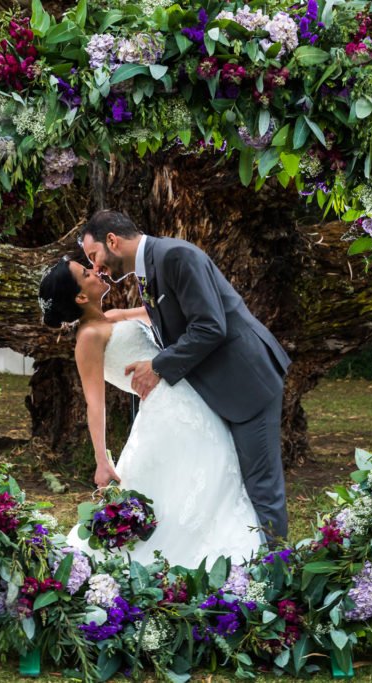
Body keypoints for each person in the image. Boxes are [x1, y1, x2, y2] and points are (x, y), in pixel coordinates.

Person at [78, 209, 291, 542]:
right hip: (218, 389)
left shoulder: (175, 255)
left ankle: (278, 582)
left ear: (112, 241)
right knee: (236, 488)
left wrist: (158, 365)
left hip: (247, 382)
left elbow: (210, 325)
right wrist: (127, 314)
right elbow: (174, 308)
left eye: (94, 256)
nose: (96, 268)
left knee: (262, 490)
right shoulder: (150, 266)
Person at [38, 258, 263, 567]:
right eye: (87, 273)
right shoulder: (88, 338)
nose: (96, 271)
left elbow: (158, 314)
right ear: (80, 297)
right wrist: (101, 460)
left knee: (211, 473)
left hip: (191, 397)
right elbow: (95, 403)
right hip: (166, 412)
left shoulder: (113, 317)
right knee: (189, 480)